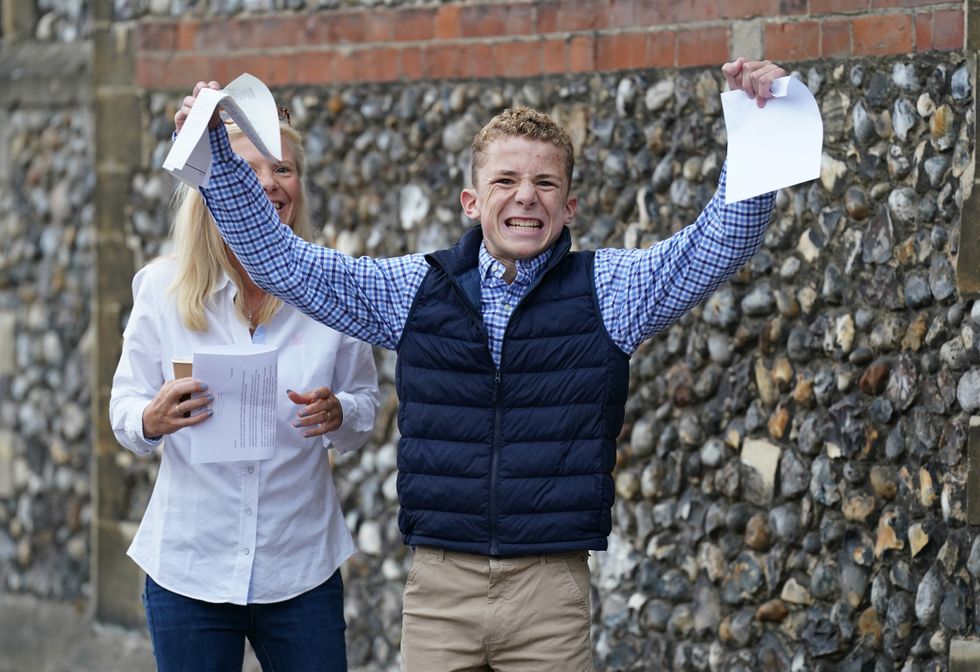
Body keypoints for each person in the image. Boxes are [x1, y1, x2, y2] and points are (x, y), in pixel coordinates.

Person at [180, 57, 785, 671]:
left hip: (550, 593)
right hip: (441, 590)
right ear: (472, 201)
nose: (526, 195)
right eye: (506, 181)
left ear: (569, 206)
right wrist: (215, 157)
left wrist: (758, 127)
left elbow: (717, 244)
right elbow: (281, 263)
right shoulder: (414, 289)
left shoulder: (611, 291)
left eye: (545, 184)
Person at [109, 116, 380, 672]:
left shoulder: (332, 287)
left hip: (300, 565)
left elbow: (364, 411)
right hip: (190, 567)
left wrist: (339, 412)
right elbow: (124, 409)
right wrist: (152, 418)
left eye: (283, 168)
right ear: (215, 184)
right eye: (246, 169)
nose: (269, 182)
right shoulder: (163, 288)